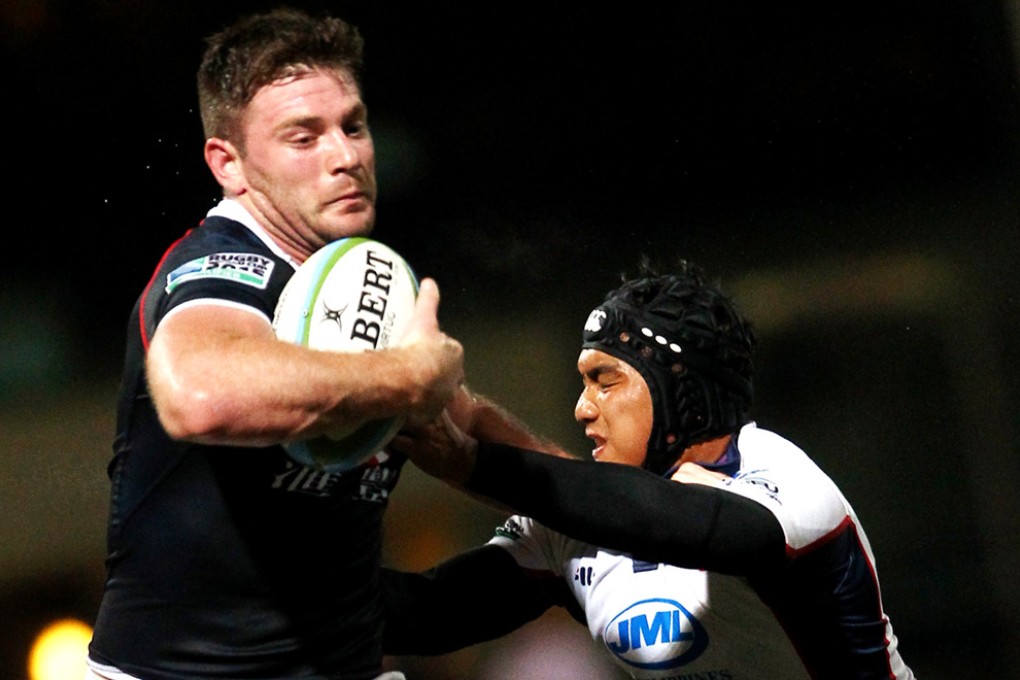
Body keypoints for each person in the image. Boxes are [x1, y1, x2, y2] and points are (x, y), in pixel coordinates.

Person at [86, 8, 561, 680]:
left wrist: (611, 511)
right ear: (229, 164)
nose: (346, 156)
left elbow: (465, 424)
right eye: (303, 137)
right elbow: (198, 395)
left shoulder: (354, 273)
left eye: (353, 125)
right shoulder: (219, 267)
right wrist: (405, 377)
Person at [382, 260, 916, 679]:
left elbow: (681, 524)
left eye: (605, 380)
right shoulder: (578, 524)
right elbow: (427, 613)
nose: (582, 408)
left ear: (676, 385)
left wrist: (474, 462)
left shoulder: (783, 477)